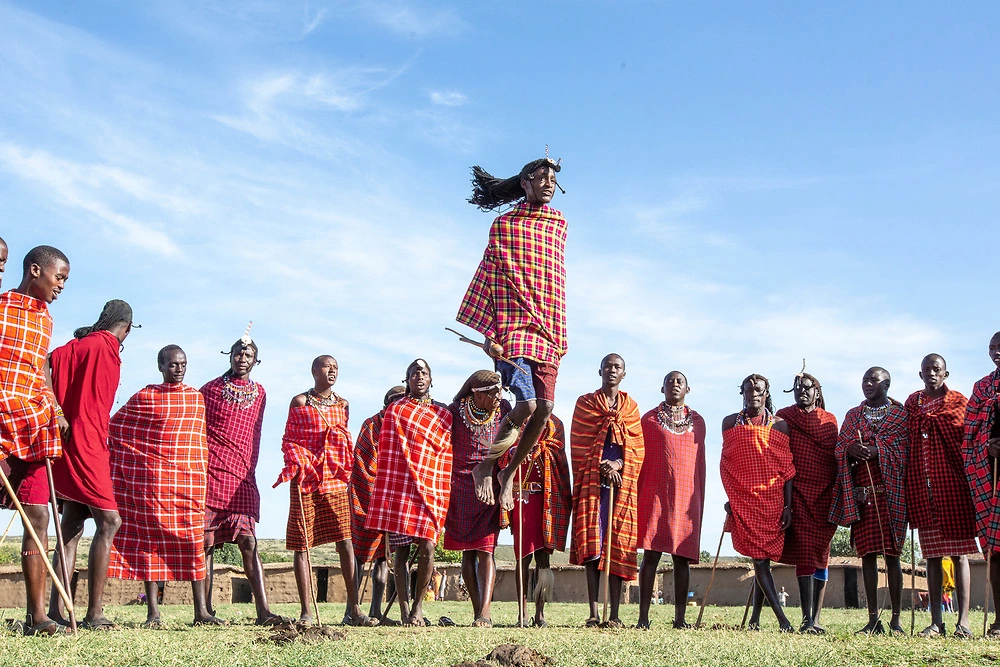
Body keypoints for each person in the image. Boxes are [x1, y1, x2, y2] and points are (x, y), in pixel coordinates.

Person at [457, 156, 568, 513]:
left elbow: (554, 282)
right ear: (526, 182)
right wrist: (489, 332)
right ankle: (486, 464)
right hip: (511, 329)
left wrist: (557, 333)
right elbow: (488, 277)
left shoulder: (559, 225)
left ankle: (508, 474)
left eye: (553, 178)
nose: (549, 183)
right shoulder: (503, 226)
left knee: (546, 407)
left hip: (547, 330)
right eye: (542, 177)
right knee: (528, 404)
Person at [107, 345, 212, 627]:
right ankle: (153, 612)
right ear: (161, 366)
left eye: (183, 364)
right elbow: (115, 427)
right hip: (153, 486)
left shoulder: (195, 399)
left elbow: (197, 445)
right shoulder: (147, 396)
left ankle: (201, 612)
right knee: (150, 545)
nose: (179, 369)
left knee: (193, 543)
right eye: (173, 364)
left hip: (187, 486)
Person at [48, 300, 135, 630]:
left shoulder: (91, 345)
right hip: (85, 441)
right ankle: (93, 613)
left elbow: (50, 362)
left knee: (71, 525)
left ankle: (57, 613)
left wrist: (59, 413)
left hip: (82, 439)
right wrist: (57, 412)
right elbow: (46, 362)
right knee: (110, 521)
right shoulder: (101, 344)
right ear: (126, 327)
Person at [273, 355, 375, 627]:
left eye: (336, 367)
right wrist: (298, 461)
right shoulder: (300, 402)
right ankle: (307, 612)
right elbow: (289, 440)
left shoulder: (343, 404)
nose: (332, 371)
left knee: (345, 540)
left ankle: (354, 610)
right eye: (327, 366)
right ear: (313, 370)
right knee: (302, 542)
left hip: (336, 479)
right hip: (306, 477)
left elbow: (343, 439)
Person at [0, 245, 70, 636]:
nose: (61, 286)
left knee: (39, 514)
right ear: (34, 270)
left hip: (33, 422)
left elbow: (40, 367)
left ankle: (37, 616)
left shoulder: (45, 318)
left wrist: (57, 410)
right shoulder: (1, 307)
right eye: (58, 277)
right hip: (0, 416)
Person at [197, 331, 286, 626]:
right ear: (229, 356)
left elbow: (254, 435)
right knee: (206, 544)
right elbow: (196, 429)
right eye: (238, 353)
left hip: (243, 477)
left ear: (256, 360)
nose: (242, 358)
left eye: (248, 355)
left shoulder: (259, 393)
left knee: (248, 542)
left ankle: (264, 611)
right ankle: (204, 612)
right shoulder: (208, 390)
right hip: (211, 472)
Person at [365, 359, 453, 626]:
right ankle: (404, 610)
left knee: (428, 547)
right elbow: (388, 454)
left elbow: (444, 453)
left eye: (424, 372)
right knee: (401, 553)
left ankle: (418, 608)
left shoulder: (443, 415)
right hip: (402, 489)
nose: (419, 375)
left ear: (431, 379)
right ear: (407, 380)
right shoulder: (395, 411)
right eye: (414, 372)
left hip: (431, 488)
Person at [829, 367, 908, 635]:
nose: (867, 384)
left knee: (893, 556)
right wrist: (850, 449)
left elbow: (905, 450)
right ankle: (873, 619)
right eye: (864, 380)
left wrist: (878, 450)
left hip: (891, 495)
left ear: (887, 383)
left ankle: (896, 620)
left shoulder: (899, 415)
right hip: (862, 496)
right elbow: (839, 447)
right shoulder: (853, 416)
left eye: (873, 380)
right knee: (867, 557)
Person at [569, 353, 644, 628]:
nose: (612, 370)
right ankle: (592, 612)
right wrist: (601, 464)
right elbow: (578, 444)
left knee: (618, 546)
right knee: (592, 547)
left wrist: (619, 463)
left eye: (618, 367)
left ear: (624, 373)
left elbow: (638, 447)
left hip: (620, 487)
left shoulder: (631, 407)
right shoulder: (585, 404)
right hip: (593, 484)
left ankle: (613, 614)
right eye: (608, 366)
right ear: (599, 370)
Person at [903, 354, 976, 638]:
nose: (931, 374)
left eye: (937, 369)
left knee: (959, 554)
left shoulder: (959, 402)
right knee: (932, 557)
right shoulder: (912, 404)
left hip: (953, 486)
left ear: (946, 374)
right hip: (922, 487)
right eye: (926, 370)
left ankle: (964, 621)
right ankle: (936, 621)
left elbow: (968, 437)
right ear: (920, 374)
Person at [721, 374, 795, 633]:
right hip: (744, 501)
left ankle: (754, 620)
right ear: (741, 392)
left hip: (772, 502)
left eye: (759, 390)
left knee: (762, 561)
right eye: (748, 389)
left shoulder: (779, 426)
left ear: (766, 393)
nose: (753, 393)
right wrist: (732, 498)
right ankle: (782, 620)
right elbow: (728, 466)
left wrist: (787, 507)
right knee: (760, 561)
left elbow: (787, 469)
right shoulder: (730, 423)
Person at [636, 371, 706, 630]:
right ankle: (643, 618)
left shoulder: (698, 422)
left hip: (685, 496)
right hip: (654, 494)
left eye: (680, 382)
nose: (675, 385)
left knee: (681, 558)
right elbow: (640, 457)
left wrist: (697, 498)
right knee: (651, 555)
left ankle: (680, 619)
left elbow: (699, 465)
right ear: (661, 387)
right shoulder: (649, 420)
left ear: (688, 389)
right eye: (670, 381)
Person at [775, 370, 840, 634]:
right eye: (797, 387)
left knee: (821, 555)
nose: (802, 390)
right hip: (797, 492)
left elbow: (835, 457)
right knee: (804, 552)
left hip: (825, 495)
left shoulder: (829, 420)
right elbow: (777, 451)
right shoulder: (785, 416)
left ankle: (817, 616)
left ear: (817, 390)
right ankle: (805, 618)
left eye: (807, 387)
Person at [444, 370, 509, 627]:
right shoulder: (455, 411)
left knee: (486, 549)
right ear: (476, 393)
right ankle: (475, 611)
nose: (498, 396)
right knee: (467, 553)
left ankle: (485, 611)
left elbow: (511, 439)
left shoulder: (504, 408)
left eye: (500, 391)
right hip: (460, 486)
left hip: (489, 486)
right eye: (493, 392)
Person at [503, 413, 572, 628]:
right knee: (522, 557)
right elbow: (504, 456)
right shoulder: (514, 421)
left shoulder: (555, 423)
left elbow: (558, 455)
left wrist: (540, 449)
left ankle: (540, 613)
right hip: (521, 498)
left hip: (547, 498)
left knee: (543, 559)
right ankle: (522, 613)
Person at [350, 384, 406, 623]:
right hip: (368, 498)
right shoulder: (372, 425)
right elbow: (364, 464)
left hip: (394, 500)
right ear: (387, 404)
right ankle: (351, 611)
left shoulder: (405, 425)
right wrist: (381, 493)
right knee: (361, 556)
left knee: (384, 556)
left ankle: (375, 611)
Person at [964, 331, 1000, 636]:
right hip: (990, 476)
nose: (996, 352)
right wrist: (987, 445)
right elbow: (970, 434)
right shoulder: (982, 387)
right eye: (992, 348)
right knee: (995, 551)